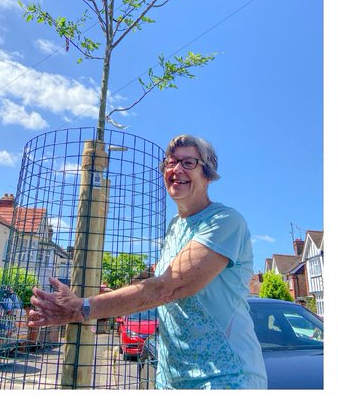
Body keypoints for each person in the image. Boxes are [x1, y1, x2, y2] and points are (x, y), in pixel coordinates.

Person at [28, 134, 267, 390]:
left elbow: (168, 288)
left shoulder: (224, 221)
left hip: (224, 378)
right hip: (172, 378)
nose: (176, 169)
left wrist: (82, 308)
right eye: (171, 162)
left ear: (208, 174)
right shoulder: (175, 227)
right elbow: (155, 290)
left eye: (188, 163)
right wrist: (110, 297)